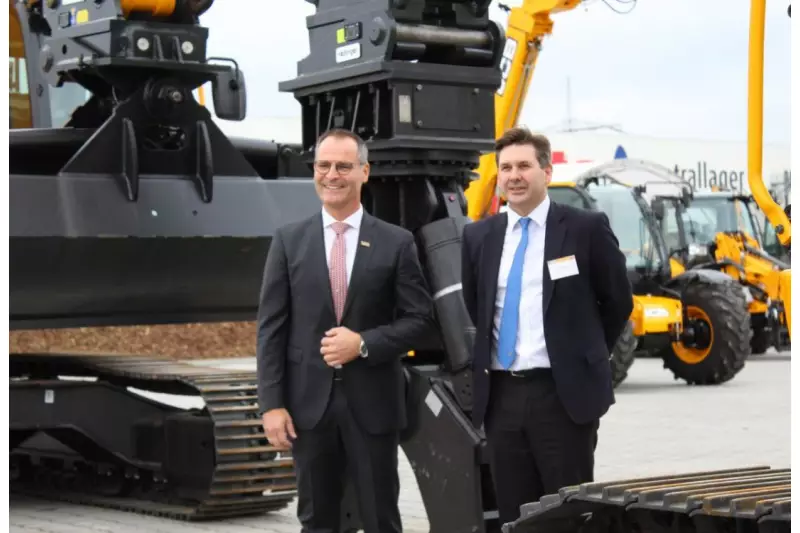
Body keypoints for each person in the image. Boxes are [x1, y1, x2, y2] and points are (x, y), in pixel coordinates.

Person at [255, 128, 435, 533]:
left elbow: (420, 320)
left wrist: (365, 343)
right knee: (317, 520)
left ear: (364, 171)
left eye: (342, 166)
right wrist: (271, 404)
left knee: (380, 518)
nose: (331, 174)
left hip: (373, 406)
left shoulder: (396, 242)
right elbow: (271, 329)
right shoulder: (288, 241)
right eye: (323, 165)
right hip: (307, 409)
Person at [460, 126, 633, 525]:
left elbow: (618, 301)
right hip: (502, 397)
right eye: (505, 168)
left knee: (567, 513)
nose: (514, 176)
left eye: (524, 165)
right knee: (515, 516)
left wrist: (584, 354)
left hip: (562, 397)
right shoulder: (478, 236)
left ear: (546, 172)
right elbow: (478, 306)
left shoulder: (584, 228)